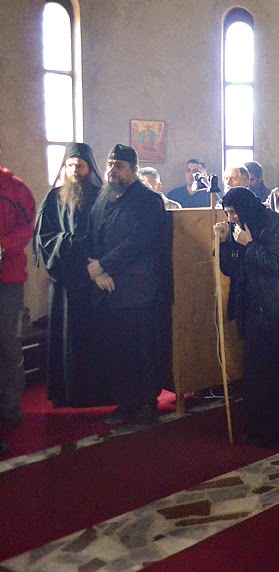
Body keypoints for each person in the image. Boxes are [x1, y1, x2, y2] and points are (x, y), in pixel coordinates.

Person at [215, 187, 279, 445]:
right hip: (254, 309)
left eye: (234, 212)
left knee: (277, 373)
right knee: (257, 374)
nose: (231, 218)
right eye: (227, 213)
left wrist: (250, 245)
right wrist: (224, 243)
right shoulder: (241, 226)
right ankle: (259, 428)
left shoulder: (273, 225)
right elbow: (233, 267)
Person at [89, 144, 171, 427]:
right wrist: (97, 270)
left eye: (120, 166)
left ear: (134, 170)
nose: (113, 170)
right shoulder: (104, 197)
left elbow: (140, 241)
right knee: (119, 350)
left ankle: (147, 403)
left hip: (139, 290)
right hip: (110, 287)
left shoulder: (148, 200)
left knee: (141, 350)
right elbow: (93, 234)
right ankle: (126, 402)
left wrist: (105, 265)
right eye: (111, 164)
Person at [33, 142, 106, 408]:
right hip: (65, 279)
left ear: (89, 168)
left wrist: (96, 261)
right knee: (66, 336)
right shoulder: (53, 198)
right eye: (71, 165)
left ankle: (96, 392)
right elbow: (44, 238)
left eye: (80, 165)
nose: (75, 170)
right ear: (65, 167)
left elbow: (108, 235)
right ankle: (66, 392)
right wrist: (71, 243)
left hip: (92, 279)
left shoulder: (101, 198)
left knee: (93, 337)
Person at [0, 150, 36, 437]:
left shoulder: (15, 189)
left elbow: (27, 227)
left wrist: (2, 246)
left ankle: (10, 405)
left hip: (8, 278)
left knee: (8, 343)